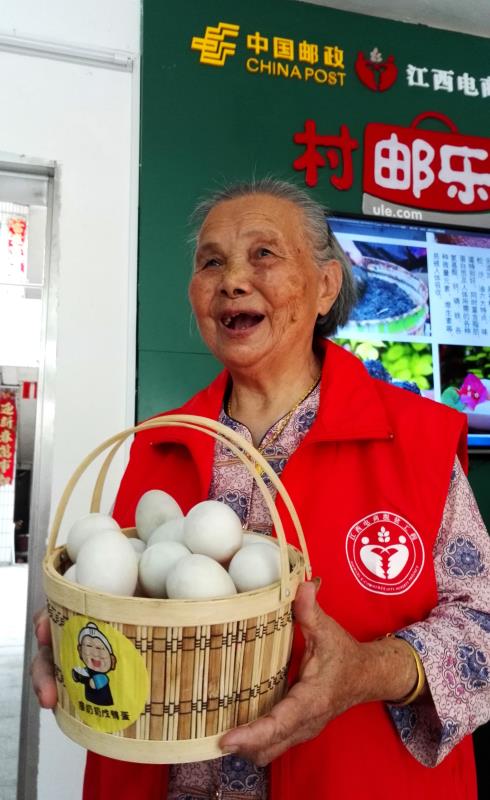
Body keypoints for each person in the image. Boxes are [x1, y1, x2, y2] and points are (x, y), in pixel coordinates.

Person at [32, 178, 490, 800]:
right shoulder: (159, 444)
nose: (232, 281)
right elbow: (119, 584)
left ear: (326, 286)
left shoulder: (414, 440)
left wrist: (368, 671)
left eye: (263, 255)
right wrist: (72, 636)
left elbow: (481, 628)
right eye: (211, 262)